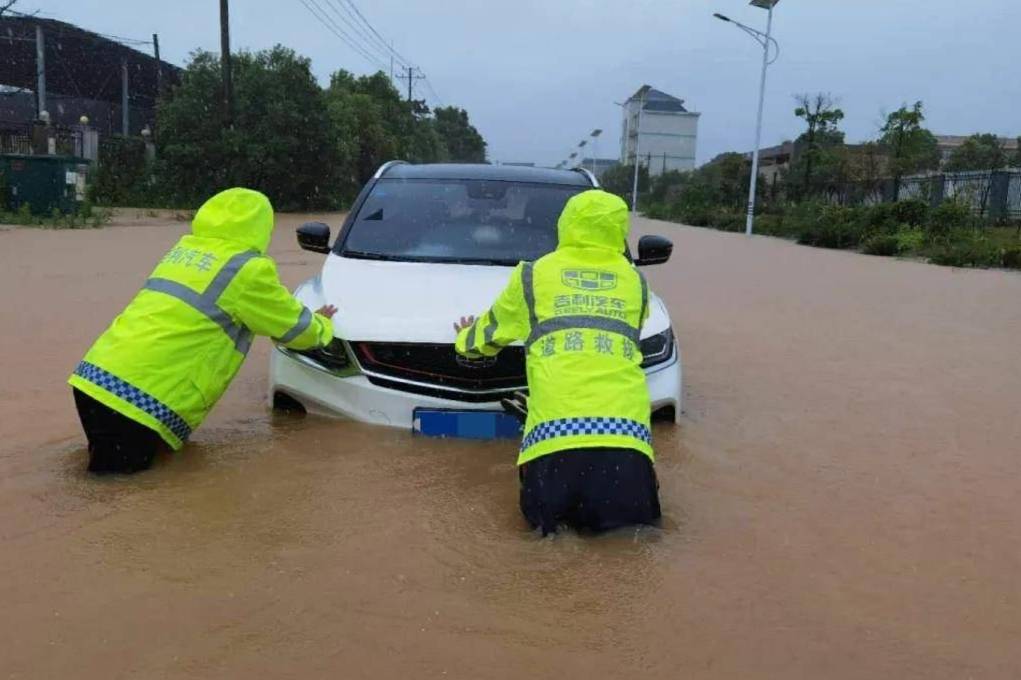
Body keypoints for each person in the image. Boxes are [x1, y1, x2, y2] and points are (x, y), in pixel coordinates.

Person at [68, 188, 337, 474]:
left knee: (106, 476)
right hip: (135, 401)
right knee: (117, 497)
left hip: (94, 380)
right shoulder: (247, 269)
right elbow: (297, 331)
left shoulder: (183, 251)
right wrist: (324, 323)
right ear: (261, 227)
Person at [454, 189, 660, 535]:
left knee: (549, 554)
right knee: (630, 553)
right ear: (619, 230)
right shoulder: (635, 281)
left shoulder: (533, 276)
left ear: (566, 225)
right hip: (627, 444)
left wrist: (464, 340)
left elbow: (485, 339)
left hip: (555, 443)